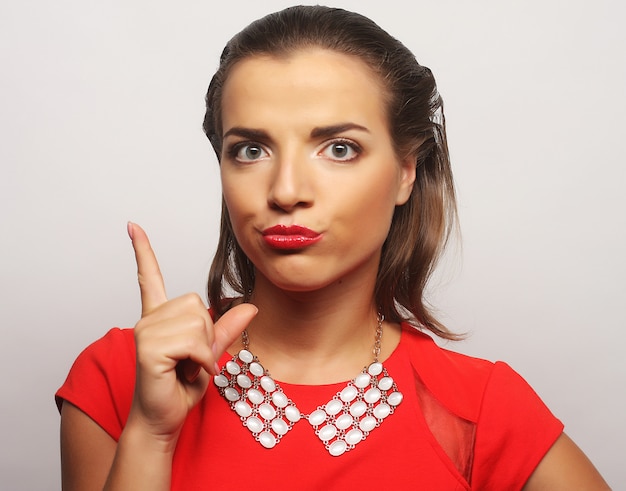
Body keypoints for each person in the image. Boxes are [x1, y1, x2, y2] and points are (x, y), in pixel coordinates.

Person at [56, 5, 610, 490]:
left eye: (339, 148)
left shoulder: (480, 409)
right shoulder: (120, 376)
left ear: (405, 173)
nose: (286, 191)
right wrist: (152, 437)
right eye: (250, 150)